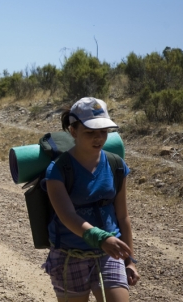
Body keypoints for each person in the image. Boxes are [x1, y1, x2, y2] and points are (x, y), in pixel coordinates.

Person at [42, 97, 140, 302]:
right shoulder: (58, 170)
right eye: (90, 133)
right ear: (73, 131)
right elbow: (67, 215)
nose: (99, 138)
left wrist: (130, 260)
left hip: (110, 252)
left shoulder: (116, 165)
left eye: (103, 132)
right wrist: (101, 238)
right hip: (69, 255)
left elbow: (123, 217)